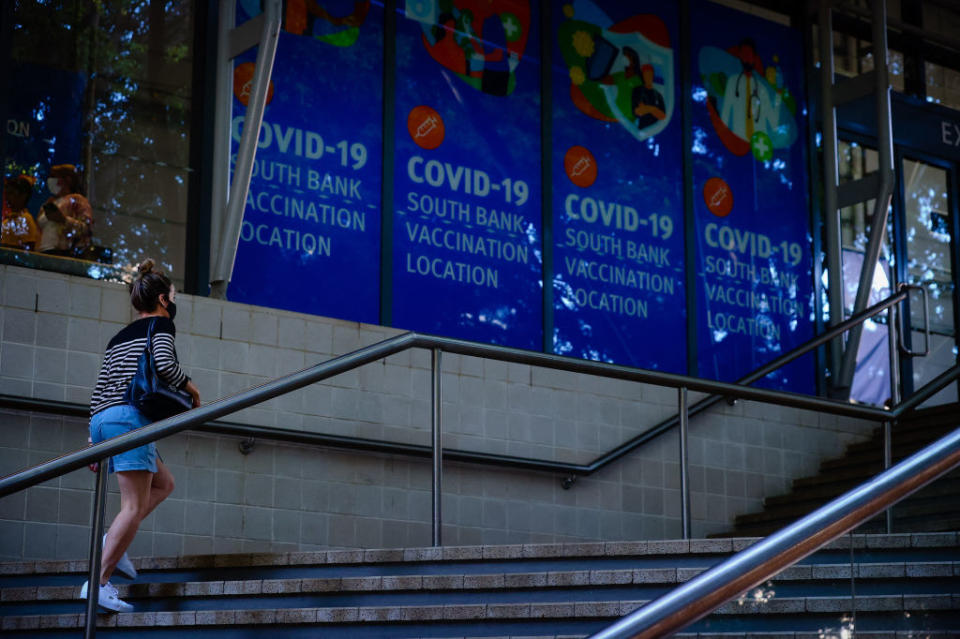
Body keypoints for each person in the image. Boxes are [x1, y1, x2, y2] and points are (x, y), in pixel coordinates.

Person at [81, 259, 201, 612]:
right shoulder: (161, 326)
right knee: (132, 506)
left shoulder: (118, 336)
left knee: (164, 484)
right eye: (173, 297)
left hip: (104, 418)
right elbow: (164, 365)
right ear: (163, 300)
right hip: (130, 419)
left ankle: (114, 538)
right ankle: (98, 582)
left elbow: (102, 386)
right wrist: (192, 389)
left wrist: (93, 438)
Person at [36, 164, 94, 257]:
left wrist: (64, 220)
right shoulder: (48, 203)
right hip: (42, 253)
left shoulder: (78, 200)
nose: (50, 180)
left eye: (54, 176)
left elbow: (87, 229)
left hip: (63, 254)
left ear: (68, 179)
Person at [1, 175, 40, 250]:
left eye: (11, 193)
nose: (7, 197)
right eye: (7, 193)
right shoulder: (7, 220)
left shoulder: (26, 218)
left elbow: (29, 246)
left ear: (23, 196)